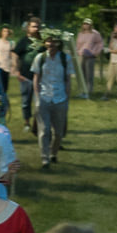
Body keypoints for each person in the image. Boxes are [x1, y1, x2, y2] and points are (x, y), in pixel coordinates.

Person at [31, 32, 72, 169]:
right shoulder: (40, 58)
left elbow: (68, 80)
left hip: (60, 99)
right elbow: (36, 78)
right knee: (44, 130)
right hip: (44, 98)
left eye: (53, 41)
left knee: (59, 132)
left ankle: (54, 153)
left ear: (58, 43)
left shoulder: (66, 59)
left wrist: (67, 99)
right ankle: (45, 159)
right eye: (48, 41)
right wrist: (37, 98)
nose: (51, 44)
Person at [13, 18, 43, 132]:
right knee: (26, 102)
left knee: (39, 103)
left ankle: (37, 124)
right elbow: (15, 55)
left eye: (37, 26)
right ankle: (26, 122)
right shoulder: (23, 41)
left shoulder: (43, 41)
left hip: (40, 77)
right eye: (33, 26)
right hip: (25, 76)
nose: (36, 28)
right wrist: (17, 72)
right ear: (28, 28)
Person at [75, 19, 105, 98]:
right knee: (82, 74)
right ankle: (82, 91)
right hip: (82, 55)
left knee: (89, 75)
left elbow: (100, 43)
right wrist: (77, 51)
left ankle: (89, 91)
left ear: (91, 25)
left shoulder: (95, 33)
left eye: (88, 24)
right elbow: (78, 44)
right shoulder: (80, 33)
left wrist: (96, 52)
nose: (86, 25)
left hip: (90, 55)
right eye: (84, 24)